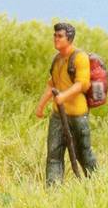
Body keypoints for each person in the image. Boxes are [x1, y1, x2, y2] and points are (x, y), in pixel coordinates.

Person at [35, 20, 99, 185]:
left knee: (83, 152)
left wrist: (63, 96)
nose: (56, 39)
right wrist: (41, 105)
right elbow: (52, 84)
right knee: (54, 153)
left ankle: (98, 183)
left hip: (77, 115)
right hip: (58, 115)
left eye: (60, 36)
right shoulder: (57, 59)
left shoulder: (80, 58)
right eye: (55, 35)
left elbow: (82, 83)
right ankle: (53, 189)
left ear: (69, 38)